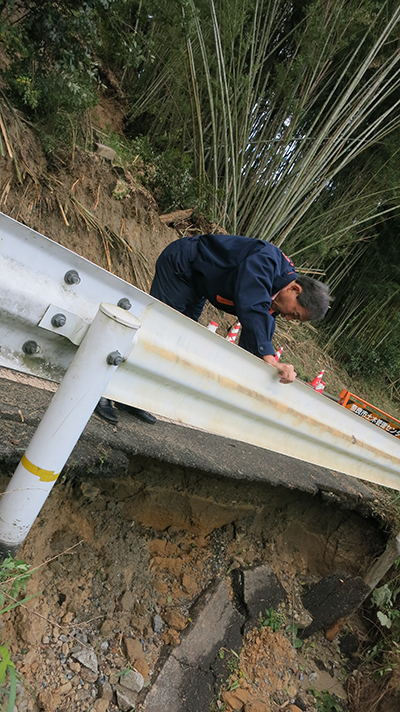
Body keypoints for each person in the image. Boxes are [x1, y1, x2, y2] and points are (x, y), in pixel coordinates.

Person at [95, 233, 330, 424]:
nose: (288, 318)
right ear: (295, 290)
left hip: (199, 286)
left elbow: (257, 335)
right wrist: (269, 356)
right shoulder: (267, 260)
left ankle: (128, 397)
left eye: (295, 320)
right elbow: (252, 302)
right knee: (156, 332)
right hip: (182, 266)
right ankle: (101, 390)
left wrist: (268, 370)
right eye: (294, 314)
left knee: (176, 340)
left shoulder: (274, 298)